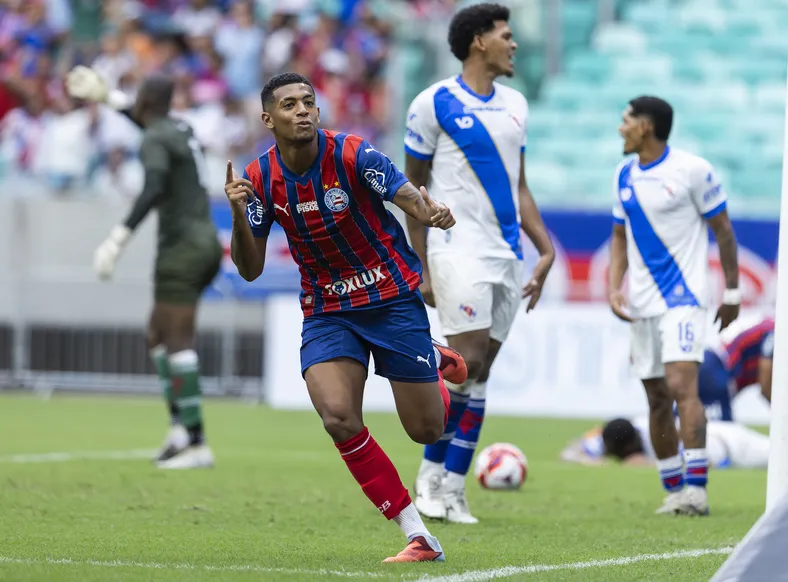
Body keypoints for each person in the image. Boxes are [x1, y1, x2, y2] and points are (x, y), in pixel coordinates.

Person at [225, 72, 469, 563]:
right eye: (290, 105)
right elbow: (249, 270)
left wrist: (428, 211)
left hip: (390, 299)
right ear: (268, 119)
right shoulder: (258, 179)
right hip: (328, 310)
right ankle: (418, 535)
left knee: (426, 430)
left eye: (308, 102)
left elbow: (404, 193)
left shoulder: (353, 154)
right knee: (337, 416)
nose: (302, 110)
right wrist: (237, 213)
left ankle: (430, 356)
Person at [403, 2, 555, 524]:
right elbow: (411, 190)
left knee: (481, 371)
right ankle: (428, 477)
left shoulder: (516, 104)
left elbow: (520, 185)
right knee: (465, 360)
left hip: (507, 252)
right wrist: (420, 263)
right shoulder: (433, 102)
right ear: (478, 41)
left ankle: (453, 487)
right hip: (457, 247)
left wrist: (546, 247)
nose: (514, 44)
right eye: (505, 35)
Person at [65, 66, 222, 469]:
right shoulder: (179, 128)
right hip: (202, 242)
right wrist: (107, 98)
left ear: (146, 102)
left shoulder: (155, 136)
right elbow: (146, 121)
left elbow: (152, 187)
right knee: (157, 335)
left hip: (182, 248)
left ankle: (197, 443)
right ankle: (179, 430)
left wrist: (117, 239)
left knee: (178, 340)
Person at [609, 95, 741, 516]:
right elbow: (618, 236)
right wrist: (614, 287)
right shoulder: (623, 175)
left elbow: (724, 231)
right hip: (642, 304)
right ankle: (674, 489)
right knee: (655, 397)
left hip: (684, 299)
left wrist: (732, 292)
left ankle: (697, 489)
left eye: (626, 120)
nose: (621, 128)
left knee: (683, 387)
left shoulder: (692, 170)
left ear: (645, 126)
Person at [560, 416, 769, 470]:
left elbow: (704, 461)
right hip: (718, 436)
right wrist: (593, 462)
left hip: (732, 445)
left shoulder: (660, 435)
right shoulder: (618, 433)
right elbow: (570, 452)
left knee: (778, 457)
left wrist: (647, 465)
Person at [699, 315, 774, 421]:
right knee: (721, 427)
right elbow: (765, 386)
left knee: (687, 417)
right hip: (716, 366)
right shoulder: (774, 332)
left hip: (712, 364)